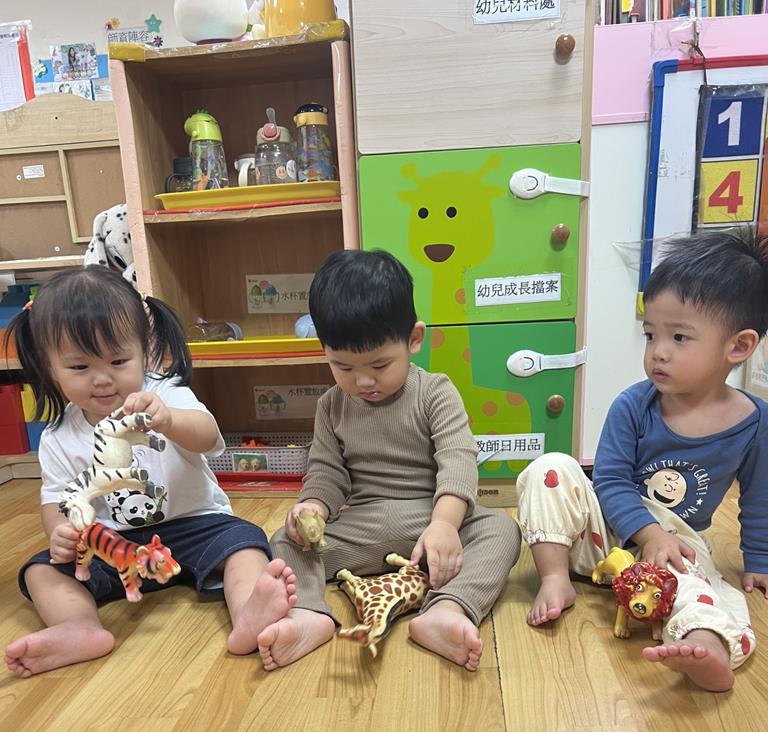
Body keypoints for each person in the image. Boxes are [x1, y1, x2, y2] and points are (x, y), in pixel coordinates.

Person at [4, 266, 295, 678]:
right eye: (79, 367)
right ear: (50, 367)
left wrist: (169, 420)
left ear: (146, 351)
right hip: (113, 545)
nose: (102, 379)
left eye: (118, 361)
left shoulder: (165, 394)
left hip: (194, 525)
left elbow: (208, 436)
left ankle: (249, 610)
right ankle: (78, 627)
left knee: (244, 543)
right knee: (40, 571)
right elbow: (57, 501)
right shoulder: (59, 436)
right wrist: (61, 532)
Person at [517, 230, 768, 692]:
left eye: (679, 337)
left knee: (700, 588)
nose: (658, 351)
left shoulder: (754, 422)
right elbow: (610, 480)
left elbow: (759, 497)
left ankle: (706, 644)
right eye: (651, 334)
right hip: (602, 538)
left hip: (673, 548)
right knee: (549, 467)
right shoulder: (634, 405)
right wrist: (645, 533)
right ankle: (554, 578)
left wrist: (760, 559)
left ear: (738, 346)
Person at [257, 249, 521, 672]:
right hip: (363, 527)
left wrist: (445, 524)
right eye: (343, 367)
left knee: (502, 530)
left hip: (430, 524)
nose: (363, 381)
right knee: (285, 542)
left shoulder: (435, 392)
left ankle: (448, 608)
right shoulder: (331, 406)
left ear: (413, 339)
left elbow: (458, 461)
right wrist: (314, 507)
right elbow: (326, 473)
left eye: (380, 364)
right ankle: (307, 613)